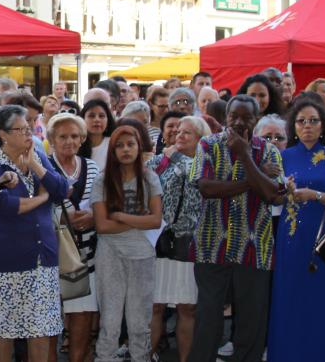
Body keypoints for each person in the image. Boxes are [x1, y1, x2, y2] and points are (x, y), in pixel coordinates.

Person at [191, 95, 286, 362]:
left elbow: (274, 195)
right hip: (211, 245)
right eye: (234, 116)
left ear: (256, 119)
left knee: (251, 321)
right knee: (208, 319)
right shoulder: (208, 145)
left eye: (247, 117)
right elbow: (207, 188)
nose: (239, 122)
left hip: (255, 248)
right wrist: (253, 179)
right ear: (226, 117)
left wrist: (245, 156)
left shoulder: (269, 151)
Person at [0, 105, 68, 362]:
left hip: (41, 259)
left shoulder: (37, 154)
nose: (29, 133)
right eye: (21, 129)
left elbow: (61, 190)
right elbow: (1, 206)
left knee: (40, 330)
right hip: (4, 262)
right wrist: (41, 199)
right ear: (3, 135)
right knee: (2, 332)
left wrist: (37, 167)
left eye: (29, 128)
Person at [269, 99, 325, 362]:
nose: (307, 126)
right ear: (294, 126)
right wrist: (285, 190)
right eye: (301, 121)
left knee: (322, 300)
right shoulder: (284, 156)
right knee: (289, 298)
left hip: (322, 237)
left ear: (323, 125)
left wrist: (314, 194)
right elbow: (274, 199)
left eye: (313, 120)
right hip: (290, 236)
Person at [89, 125, 163, 362]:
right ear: (112, 152)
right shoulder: (102, 181)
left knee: (139, 320)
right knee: (110, 320)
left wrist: (120, 216)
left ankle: (141, 357)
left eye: (130, 144)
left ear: (139, 147)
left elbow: (155, 220)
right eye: (119, 146)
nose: (125, 150)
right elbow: (102, 226)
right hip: (110, 254)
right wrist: (139, 220)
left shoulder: (150, 178)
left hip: (142, 254)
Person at [148, 115, 208, 362]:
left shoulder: (205, 163)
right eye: (178, 131)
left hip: (187, 244)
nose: (179, 136)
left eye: (187, 133)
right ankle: (145, 355)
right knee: (155, 306)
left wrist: (175, 155)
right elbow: (143, 174)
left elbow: (194, 177)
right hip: (159, 242)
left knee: (187, 308)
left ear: (201, 139)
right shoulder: (162, 160)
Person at [45, 112, 101, 362]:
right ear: (52, 139)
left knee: (82, 317)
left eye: (75, 136)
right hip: (51, 258)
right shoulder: (42, 166)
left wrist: (92, 217)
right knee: (48, 324)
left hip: (86, 257)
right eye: (63, 136)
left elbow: (102, 204)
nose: (69, 141)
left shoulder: (93, 167)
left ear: (82, 139)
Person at [78, 99, 116, 166]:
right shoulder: (76, 144)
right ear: (83, 119)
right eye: (91, 116)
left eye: (101, 116)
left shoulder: (113, 143)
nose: (97, 120)